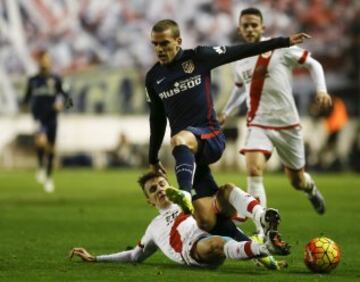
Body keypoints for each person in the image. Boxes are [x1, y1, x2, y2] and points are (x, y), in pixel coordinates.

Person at [145, 19, 311, 234]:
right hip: (189, 154)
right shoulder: (153, 78)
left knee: (177, 139)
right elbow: (157, 119)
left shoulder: (198, 57)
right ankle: (257, 244)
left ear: (178, 41)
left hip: (210, 135)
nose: (159, 49)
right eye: (155, 45)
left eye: (164, 43)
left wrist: (284, 41)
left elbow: (241, 51)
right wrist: (152, 157)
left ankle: (183, 193)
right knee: (206, 220)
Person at [219, 8, 332, 232]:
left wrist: (321, 90)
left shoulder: (279, 47)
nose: (250, 29)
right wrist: (227, 111)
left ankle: (310, 189)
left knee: (296, 180)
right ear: (240, 29)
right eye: (246, 25)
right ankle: (263, 232)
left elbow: (313, 64)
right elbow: (239, 89)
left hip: (288, 123)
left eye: (254, 25)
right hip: (258, 122)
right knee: (253, 169)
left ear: (262, 27)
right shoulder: (239, 58)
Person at [70, 171, 289, 268]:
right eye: (153, 189)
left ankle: (261, 226)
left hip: (211, 228)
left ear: (170, 185)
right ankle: (263, 247)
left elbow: (231, 231)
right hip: (192, 249)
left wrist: (269, 263)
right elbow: (134, 256)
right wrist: (97, 258)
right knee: (217, 243)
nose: (159, 190)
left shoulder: (192, 202)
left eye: (162, 184)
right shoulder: (154, 228)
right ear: (149, 201)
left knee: (224, 197)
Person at [22, 51, 72, 193]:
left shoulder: (56, 79)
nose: (46, 62)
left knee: (51, 148)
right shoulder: (33, 80)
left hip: (52, 118)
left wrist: (62, 105)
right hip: (39, 118)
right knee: (41, 141)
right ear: (40, 62)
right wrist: (25, 106)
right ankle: (40, 166)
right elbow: (26, 99)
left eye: (48, 59)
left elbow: (69, 100)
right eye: (43, 59)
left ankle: (49, 177)